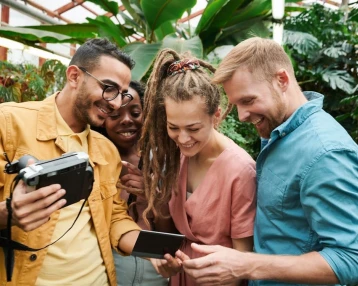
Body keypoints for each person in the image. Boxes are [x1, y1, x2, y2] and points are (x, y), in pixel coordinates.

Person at [174, 37, 358, 286]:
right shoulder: (280, 129)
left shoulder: (325, 152)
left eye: (248, 101)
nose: (241, 116)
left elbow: (351, 259)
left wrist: (246, 265)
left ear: (281, 80)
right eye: (236, 104)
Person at [0, 38, 142, 285]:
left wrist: (153, 250)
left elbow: (114, 218)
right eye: (109, 88)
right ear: (74, 76)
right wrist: (7, 213)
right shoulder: (9, 124)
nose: (116, 103)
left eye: (122, 94)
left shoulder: (107, 151)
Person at [139, 49, 257, 286]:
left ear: (216, 116)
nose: (182, 139)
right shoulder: (176, 158)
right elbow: (172, 233)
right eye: (173, 127)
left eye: (193, 129)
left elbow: (242, 259)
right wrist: (166, 262)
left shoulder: (240, 171)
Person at [98, 80, 168, 286]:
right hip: (107, 270)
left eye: (135, 113)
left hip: (155, 273)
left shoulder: (164, 162)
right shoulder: (95, 161)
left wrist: (153, 198)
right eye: (115, 115)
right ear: (102, 119)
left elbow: (168, 231)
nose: (127, 120)